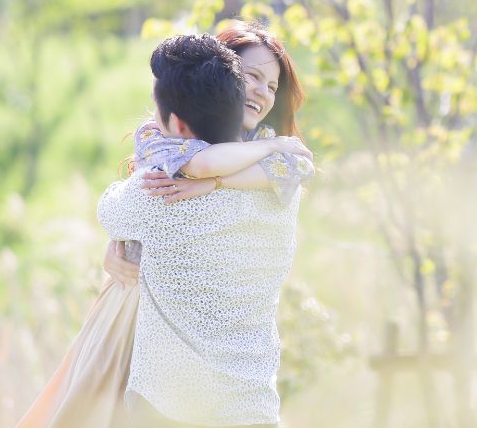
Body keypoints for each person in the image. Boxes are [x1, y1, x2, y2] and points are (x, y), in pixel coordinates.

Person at [18, 27, 312, 427]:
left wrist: (215, 182)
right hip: (163, 350)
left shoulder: (272, 168)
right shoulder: (173, 152)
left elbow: (129, 207)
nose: (261, 92)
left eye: (272, 85)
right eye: (251, 76)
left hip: (171, 378)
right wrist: (121, 242)